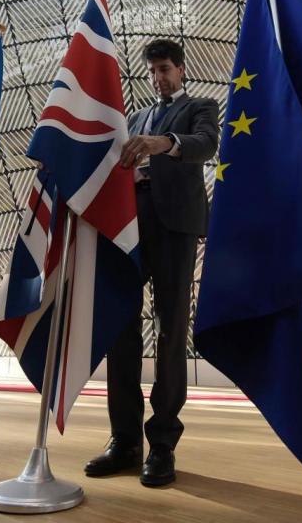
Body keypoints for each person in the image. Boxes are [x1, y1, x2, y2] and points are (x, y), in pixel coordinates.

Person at [84, 38, 219, 487]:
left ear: (180, 70)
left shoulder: (201, 107)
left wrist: (164, 143)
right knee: (119, 329)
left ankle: (162, 444)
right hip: (129, 227)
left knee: (169, 328)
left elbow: (204, 145)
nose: (159, 78)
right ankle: (124, 440)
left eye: (165, 69)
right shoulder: (135, 118)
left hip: (174, 226)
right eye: (152, 72)